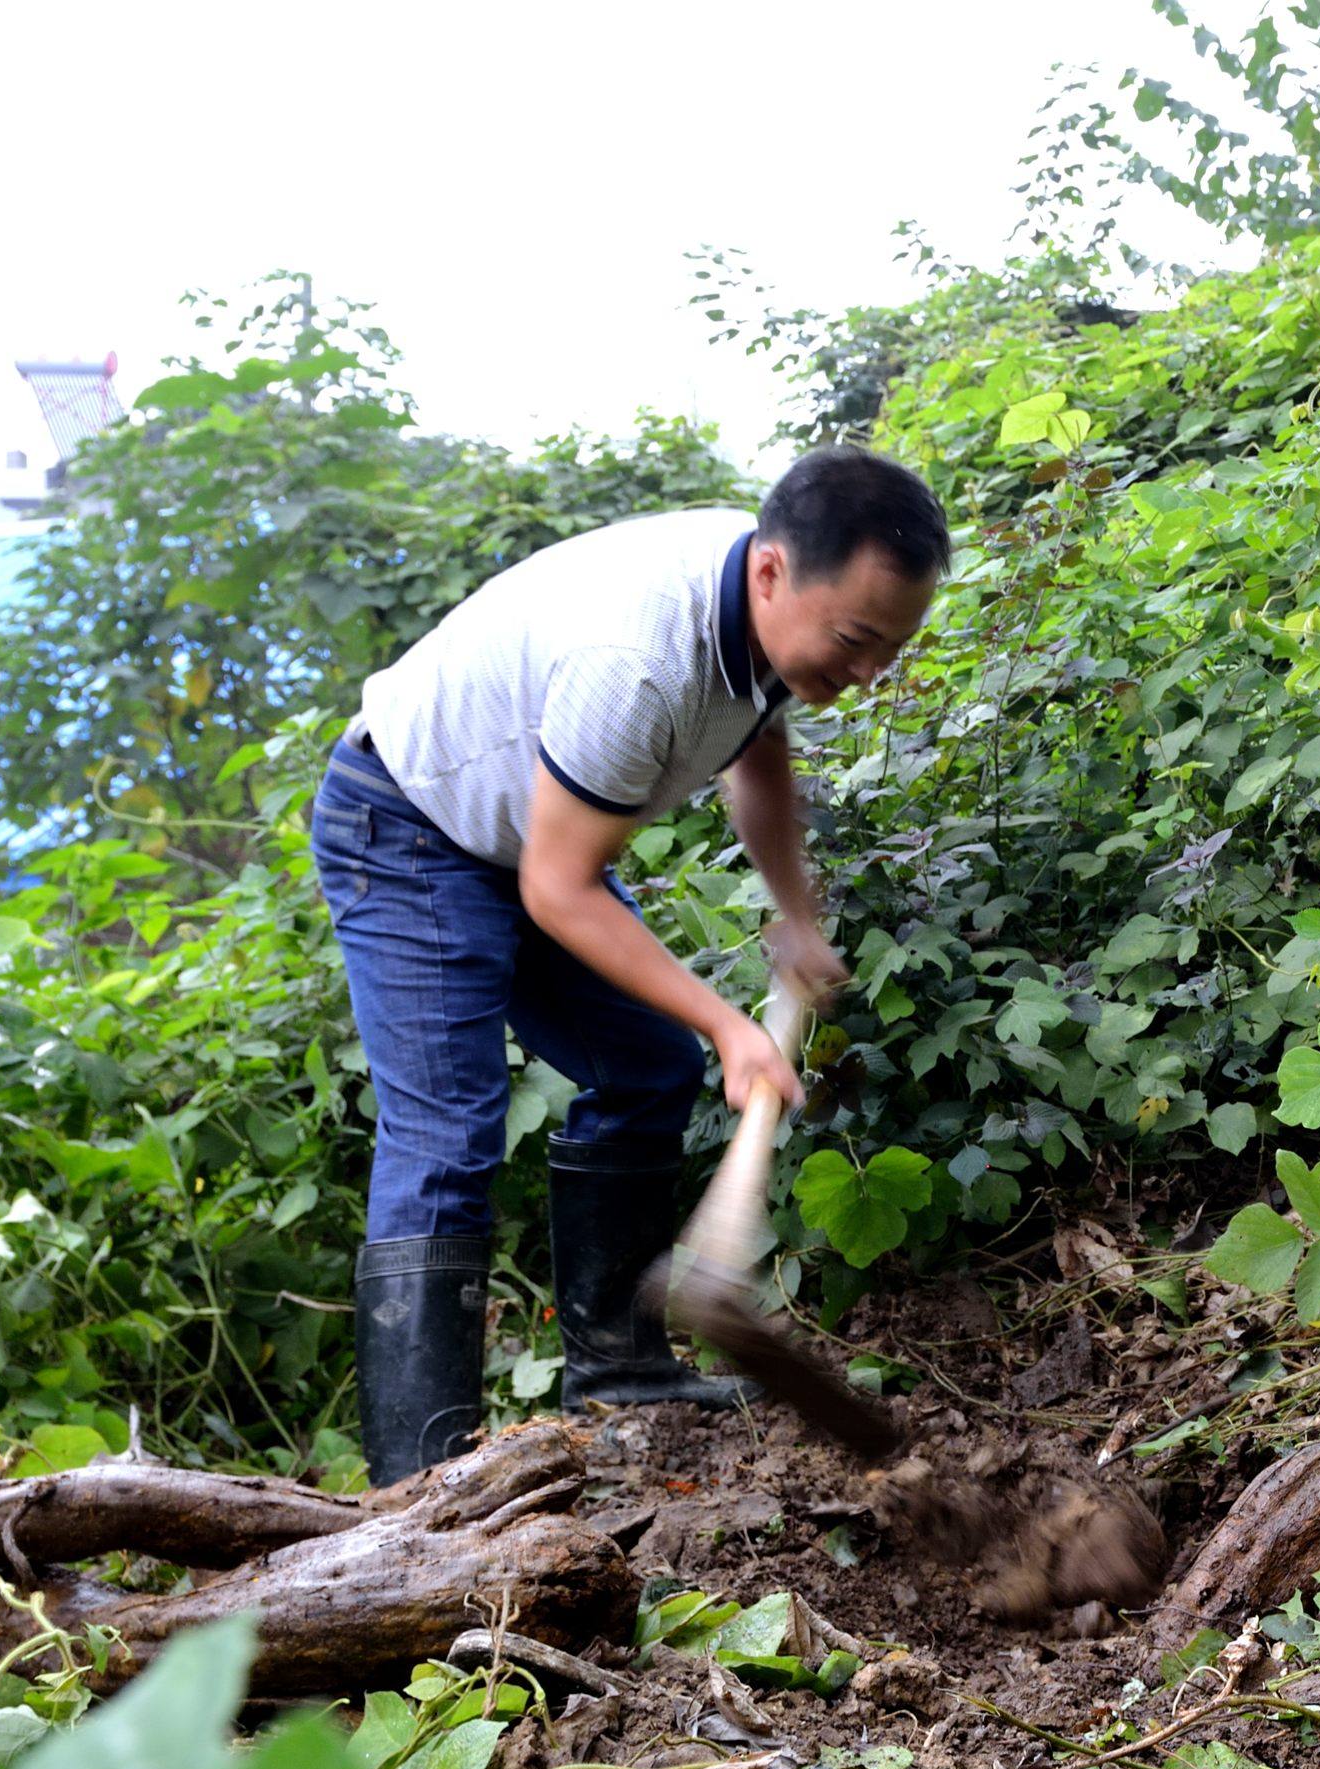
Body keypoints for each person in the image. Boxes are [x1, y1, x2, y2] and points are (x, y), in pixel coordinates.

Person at [311, 446, 948, 1482]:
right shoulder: (638, 660)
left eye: (890, 649)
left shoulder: (763, 612)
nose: (868, 673)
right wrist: (729, 1026)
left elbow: (757, 750)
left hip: (523, 837)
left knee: (646, 1064)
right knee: (447, 1134)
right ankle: (415, 1482)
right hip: (408, 823)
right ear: (773, 573)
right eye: (854, 642)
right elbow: (560, 891)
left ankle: (618, 1371)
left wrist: (795, 916)